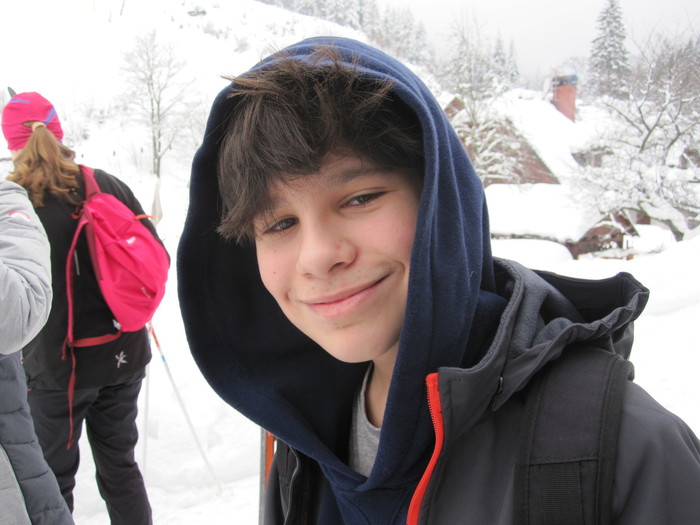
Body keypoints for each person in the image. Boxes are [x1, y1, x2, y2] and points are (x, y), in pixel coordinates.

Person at [177, 37, 700, 524]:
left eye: (360, 198)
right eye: (279, 224)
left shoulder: (627, 453)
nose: (317, 257)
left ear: (440, 200)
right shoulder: (304, 441)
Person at [1, 91, 157, 524]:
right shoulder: (106, 184)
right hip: (123, 354)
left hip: (55, 371)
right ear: (58, 130)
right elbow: (151, 254)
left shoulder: (13, 206)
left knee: (51, 482)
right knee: (121, 469)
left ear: (12, 142)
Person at [0, 179, 74, 525]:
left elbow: (18, 313)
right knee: (118, 466)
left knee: (61, 462)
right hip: (110, 352)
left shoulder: (8, 197)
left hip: (51, 365)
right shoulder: (99, 185)